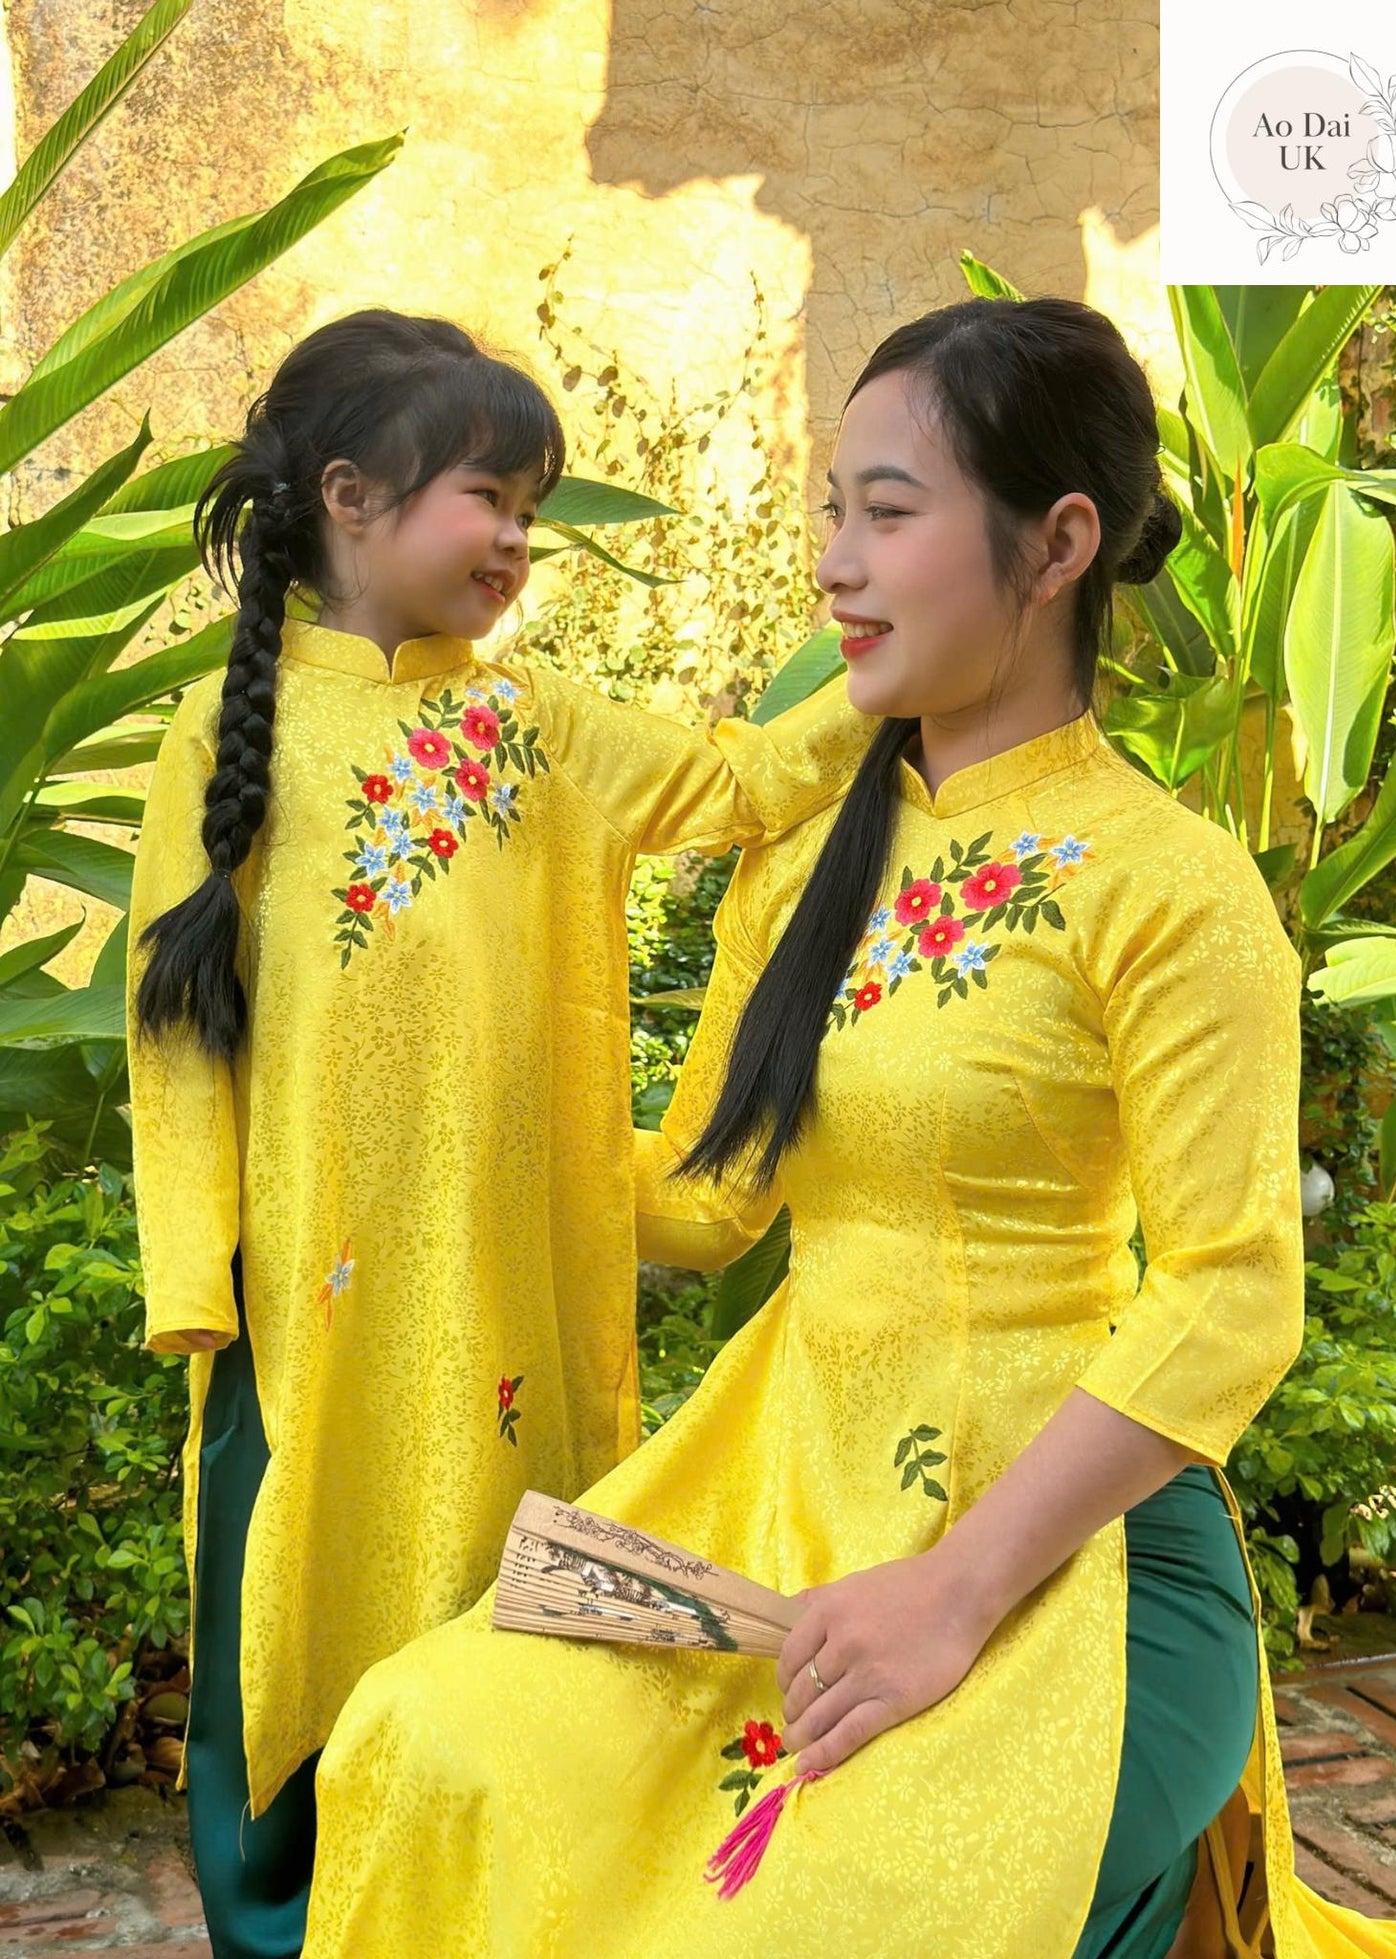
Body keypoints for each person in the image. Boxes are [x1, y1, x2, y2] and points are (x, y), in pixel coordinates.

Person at [301, 299, 1396, 1959]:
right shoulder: (811, 862)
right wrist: (440, 1109)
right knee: (426, 1745)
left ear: (1058, 544)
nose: (834, 565)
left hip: (1065, 1563)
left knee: (803, 1925)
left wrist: (951, 1594)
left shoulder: (1169, 891)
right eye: (833, 511)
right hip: (775, 1500)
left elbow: (1230, 1295)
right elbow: (704, 1206)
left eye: (886, 514)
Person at [126, 309, 867, 1959]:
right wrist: (194, 1275)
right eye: (491, 498)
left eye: (533, 506)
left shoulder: (536, 721)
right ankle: (285, 1927)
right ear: (350, 499)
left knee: (493, 1584)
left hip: (503, 1285)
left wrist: (886, 686)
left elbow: (736, 789)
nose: (521, 538)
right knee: (290, 1606)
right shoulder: (223, 739)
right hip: (301, 1306)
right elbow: (174, 1033)